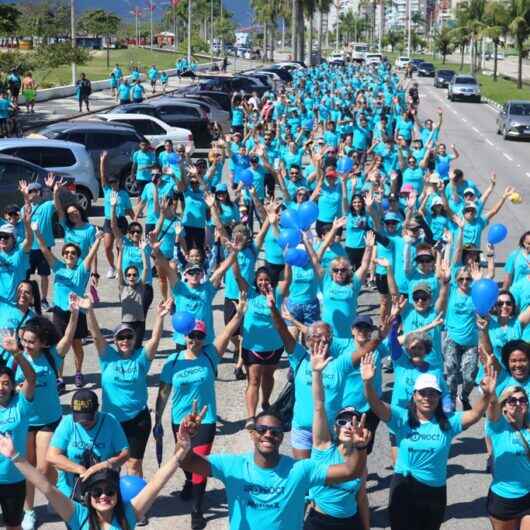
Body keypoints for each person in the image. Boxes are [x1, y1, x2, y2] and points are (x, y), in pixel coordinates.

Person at [178, 391, 370, 530]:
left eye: (275, 432)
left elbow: (350, 472)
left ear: (281, 437)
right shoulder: (233, 466)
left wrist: (360, 447)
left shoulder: (300, 470)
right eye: (262, 430)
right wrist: (186, 441)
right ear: (253, 434)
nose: (268, 435)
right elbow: (187, 462)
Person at [362, 354, 497, 530]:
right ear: (414, 396)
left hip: (435, 491)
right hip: (404, 489)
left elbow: (475, 414)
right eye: (423, 393)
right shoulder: (400, 418)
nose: (427, 397)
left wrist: (487, 394)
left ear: (439, 397)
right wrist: (367, 383)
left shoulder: (448, 422)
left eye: (433, 393)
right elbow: (375, 404)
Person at [154, 297, 246, 529]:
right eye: (191, 335)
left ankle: (197, 509)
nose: (194, 339)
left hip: (205, 419)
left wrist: (239, 313)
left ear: (204, 339)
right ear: (184, 336)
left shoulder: (210, 355)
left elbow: (227, 332)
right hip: (179, 420)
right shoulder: (172, 361)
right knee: (184, 460)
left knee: (200, 462)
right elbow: (163, 393)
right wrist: (158, 420)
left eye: (199, 336)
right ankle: (188, 483)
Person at [0, 420, 193, 530]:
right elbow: (45, 487)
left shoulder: (128, 514)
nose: (103, 496)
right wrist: (15, 456)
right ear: (88, 495)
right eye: (97, 491)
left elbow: (157, 483)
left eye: (109, 491)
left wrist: (181, 452)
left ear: (118, 493)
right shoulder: (77, 515)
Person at [83, 296, 170, 485]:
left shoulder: (141, 358)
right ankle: (111, 503)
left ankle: (134, 506)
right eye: (120, 337)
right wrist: (89, 310)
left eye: (129, 337)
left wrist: (160, 316)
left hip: (138, 420)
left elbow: (155, 340)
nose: (125, 340)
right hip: (111, 422)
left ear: (134, 339)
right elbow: (96, 334)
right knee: (111, 464)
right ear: (115, 341)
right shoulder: (107, 357)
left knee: (134, 464)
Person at [10, 299, 79, 530]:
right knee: (28, 467)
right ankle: (28, 511)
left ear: (42, 342)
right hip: (24, 421)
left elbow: (68, 338)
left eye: (31, 342)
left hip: (49, 419)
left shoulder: (51, 357)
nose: (26, 345)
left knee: (43, 468)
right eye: (24, 340)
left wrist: (75, 313)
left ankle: (52, 496)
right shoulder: (14, 359)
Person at [305, 341, 370, 530]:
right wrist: (316, 373)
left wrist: (366, 528)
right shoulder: (323, 447)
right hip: (319, 522)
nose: (348, 425)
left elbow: (361, 498)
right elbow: (318, 406)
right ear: (335, 428)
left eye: (354, 422)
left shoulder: (360, 462)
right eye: (342, 421)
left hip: (350, 523)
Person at [33, 224, 102, 390]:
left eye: (73, 253)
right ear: (63, 256)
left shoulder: (82, 270)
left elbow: (92, 255)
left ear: (78, 256)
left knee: (77, 345)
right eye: (67, 253)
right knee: (59, 347)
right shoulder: (58, 267)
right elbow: (43, 249)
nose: (70, 255)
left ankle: (78, 372)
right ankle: (60, 378)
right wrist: (36, 231)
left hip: (77, 312)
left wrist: (98, 239)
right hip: (59, 312)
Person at [46, 389, 129, 498]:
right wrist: (81, 470)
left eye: (88, 418)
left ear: (97, 410)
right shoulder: (68, 422)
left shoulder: (110, 421)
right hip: (71, 488)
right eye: (79, 418)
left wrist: (104, 465)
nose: (83, 422)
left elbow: (125, 453)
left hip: (104, 487)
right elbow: (52, 456)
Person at [0, 336, 36, 530]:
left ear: (13, 385)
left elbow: (32, 378)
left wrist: (16, 353)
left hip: (14, 478)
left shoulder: (21, 404)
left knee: (14, 525)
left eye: (6, 383)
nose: (1, 388)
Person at [486, 385, 530, 529]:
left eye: (522, 400)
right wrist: (492, 397)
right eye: (512, 400)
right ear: (503, 406)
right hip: (505, 499)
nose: (518, 404)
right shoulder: (498, 427)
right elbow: (492, 412)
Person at [19, 179, 57, 310]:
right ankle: (26, 299)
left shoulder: (47, 206)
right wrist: (25, 196)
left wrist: (52, 189)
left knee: (44, 275)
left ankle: (44, 300)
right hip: (29, 248)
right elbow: (23, 218)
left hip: (44, 248)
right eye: (27, 192)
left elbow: (57, 203)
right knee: (25, 275)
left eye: (31, 191)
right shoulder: (24, 208)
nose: (28, 193)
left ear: (38, 192)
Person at [99, 151, 134, 279]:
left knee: (120, 247)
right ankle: (111, 266)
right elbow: (102, 175)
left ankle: (120, 268)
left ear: (119, 182)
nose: (114, 184)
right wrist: (102, 161)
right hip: (109, 221)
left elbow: (130, 210)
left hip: (121, 221)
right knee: (107, 247)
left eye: (116, 182)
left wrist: (134, 220)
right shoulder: (107, 190)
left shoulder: (124, 194)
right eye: (112, 182)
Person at [0, 208, 33, 306]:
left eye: (6, 236)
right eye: (0, 236)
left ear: (13, 238)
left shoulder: (20, 252)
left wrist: (27, 224)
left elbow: (30, 239)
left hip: (17, 303)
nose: (2, 239)